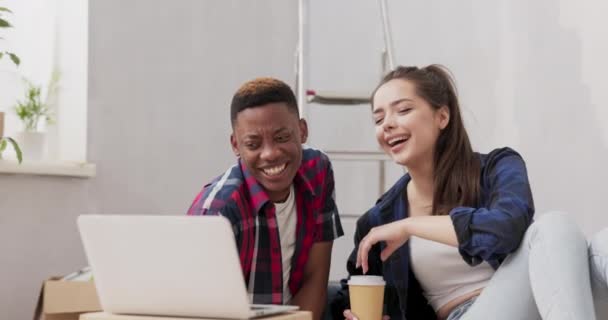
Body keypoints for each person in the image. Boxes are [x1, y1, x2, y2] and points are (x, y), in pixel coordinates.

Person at [332, 65, 604, 320]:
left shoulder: (498, 167)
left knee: (596, 241)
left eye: (402, 110)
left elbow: (506, 228)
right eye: (378, 119)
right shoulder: (381, 219)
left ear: (442, 116)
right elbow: (352, 290)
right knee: (554, 225)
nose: (387, 124)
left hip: (543, 304)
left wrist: (410, 226)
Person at [188, 77, 344, 320]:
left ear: (302, 131)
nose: (270, 154)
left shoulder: (317, 170)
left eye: (282, 138)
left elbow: (316, 277)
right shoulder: (218, 211)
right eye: (253, 144)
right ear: (236, 145)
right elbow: (201, 310)